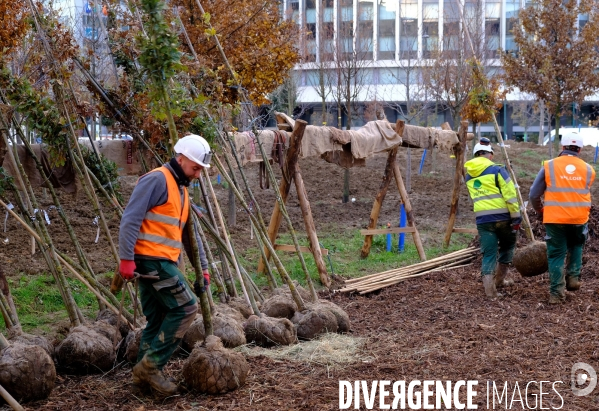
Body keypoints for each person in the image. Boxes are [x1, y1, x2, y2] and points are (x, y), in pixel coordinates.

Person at [118, 134, 212, 395]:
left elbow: (190, 238)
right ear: (180, 159)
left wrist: (202, 268)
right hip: (151, 260)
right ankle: (151, 367)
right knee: (186, 308)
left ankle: (140, 381)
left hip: (161, 262)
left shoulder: (181, 190)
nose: (198, 175)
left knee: (158, 318)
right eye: (195, 168)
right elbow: (129, 219)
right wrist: (125, 259)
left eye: (201, 170)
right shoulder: (157, 180)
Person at [529, 131, 595, 304]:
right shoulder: (589, 169)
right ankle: (573, 277)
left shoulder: (549, 166)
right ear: (579, 149)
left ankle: (557, 294)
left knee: (556, 254)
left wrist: (540, 209)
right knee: (576, 245)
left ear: (563, 147)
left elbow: (534, 194)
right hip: (579, 217)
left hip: (555, 218)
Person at [464, 142, 522, 298]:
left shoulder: (468, 175)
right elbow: (510, 195)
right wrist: (516, 216)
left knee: (489, 253)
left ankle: (490, 290)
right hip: (504, 217)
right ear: (490, 155)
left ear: (476, 155)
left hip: (483, 219)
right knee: (507, 246)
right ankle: (499, 280)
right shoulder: (498, 170)